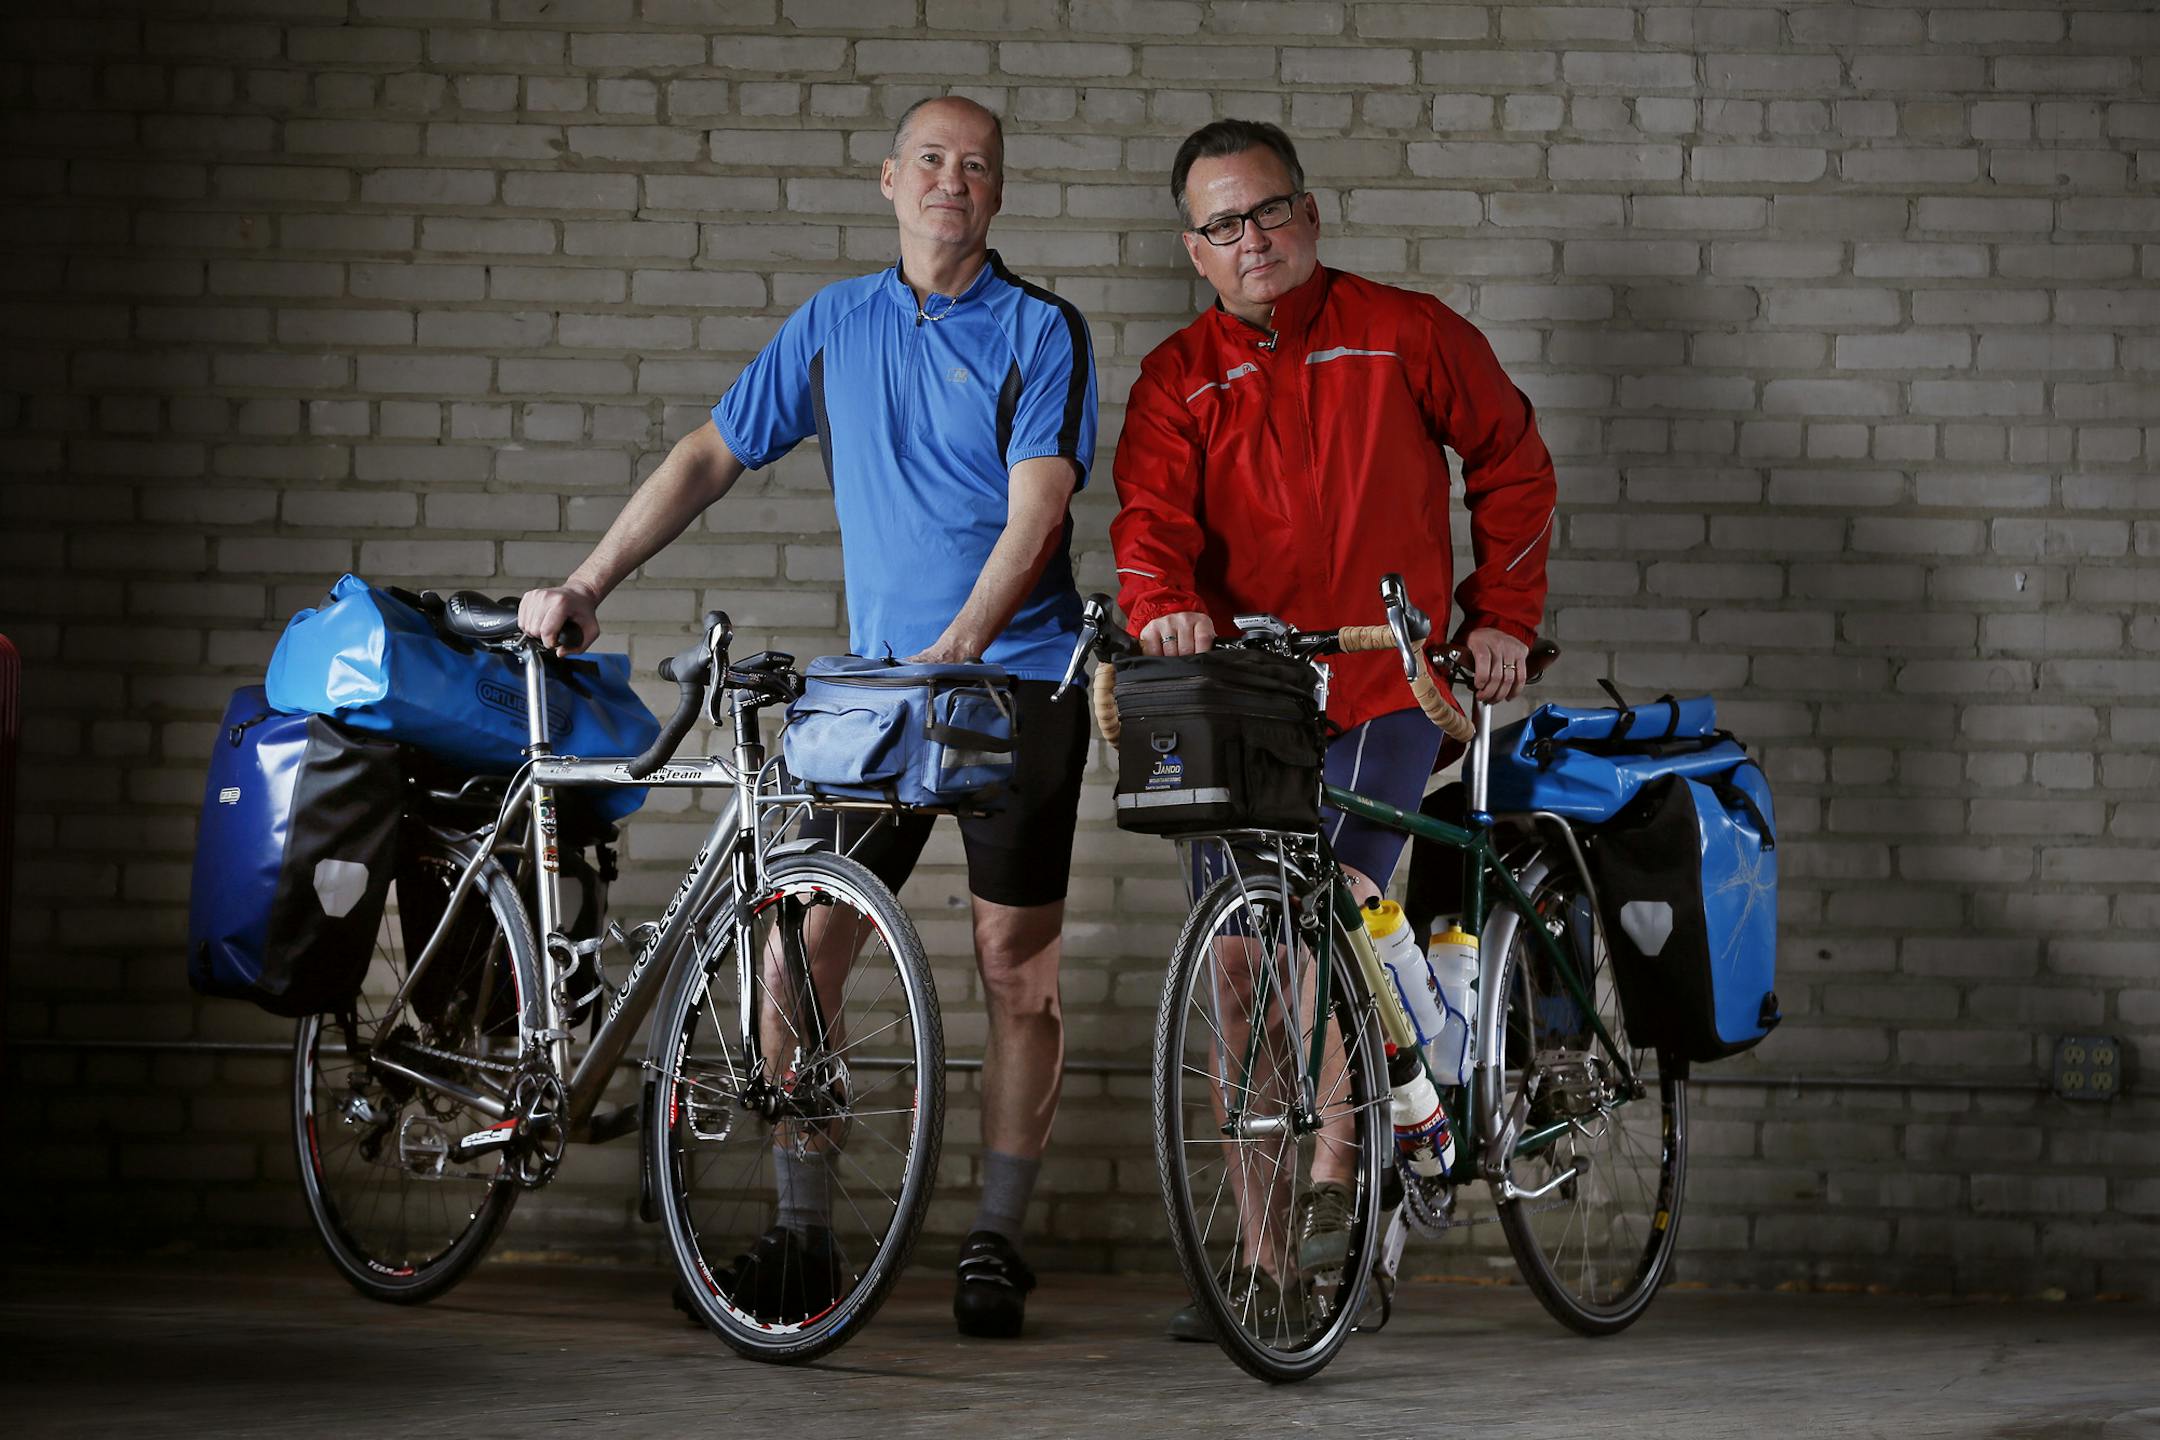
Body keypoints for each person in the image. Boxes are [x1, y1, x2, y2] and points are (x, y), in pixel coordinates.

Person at [519, 96, 1097, 1341]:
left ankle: (995, 1241)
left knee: (1016, 971)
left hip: (1015, 681)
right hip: (883, 695)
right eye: (931, 160)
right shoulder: (833, 325)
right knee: (796, 948)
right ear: (889, 178)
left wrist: (961, 646)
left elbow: (1037, 509)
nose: (953, 181)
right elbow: (707, 457)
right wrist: (587, 582)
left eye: (978, 166)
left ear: (997, 196)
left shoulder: (1040, 329)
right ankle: (802, 1232)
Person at [1109, 118, 1558, 1338]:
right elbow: (1147, 526)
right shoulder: (1175, 380)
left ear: (1309, 215)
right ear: (1192, 248)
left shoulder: (1407, 332)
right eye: (1221, 224)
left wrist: (1499, 617)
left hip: (1385, 691)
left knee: (1330, 944)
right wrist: (1162, 614)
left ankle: (1338, 1223)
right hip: (1247, 710)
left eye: (1268, 212)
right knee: (1241, 969)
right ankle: (1260, 1271)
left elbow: (1513, 463)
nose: (1250, 239)